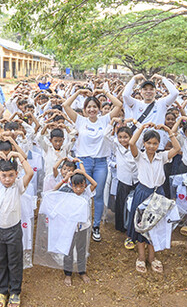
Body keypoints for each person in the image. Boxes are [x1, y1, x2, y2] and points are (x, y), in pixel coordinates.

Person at [63, 87, 123, 242]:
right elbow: (65, 106)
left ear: (99, 108)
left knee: (97, 194)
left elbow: (118, 105)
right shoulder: (80, 120)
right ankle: (79, 222)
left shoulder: (105, 119)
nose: (92, 109)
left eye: (94, 107)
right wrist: (79, 92)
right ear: (84, 109)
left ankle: (95, 226)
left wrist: (104, 93)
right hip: (84, 162)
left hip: (101, 163)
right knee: (80, 192)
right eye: (88, 107)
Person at [126, 123, 180, 274]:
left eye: (155, 143)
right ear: (144, 143)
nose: (151, 146)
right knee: (142, 226)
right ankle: (141, 257)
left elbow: (176, 149)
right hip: (143, 193)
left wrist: (169, 131)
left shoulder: (162, 156)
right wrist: (141, 128)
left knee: (155, 226)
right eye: (148, 143)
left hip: (158, 195)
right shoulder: (139, 156)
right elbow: (131, 143)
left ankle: (152, 257)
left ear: (159, 144)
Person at [0, 153, 34, 307]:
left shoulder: (18, 186)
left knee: (15, 262)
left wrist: (18, 156)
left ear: (16, 174)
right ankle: (2, 291)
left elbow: (30, 173)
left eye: (11, 175)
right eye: (4, 175)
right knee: (0, 260)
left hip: (13, 231)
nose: (7, 179)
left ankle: (15, 292)